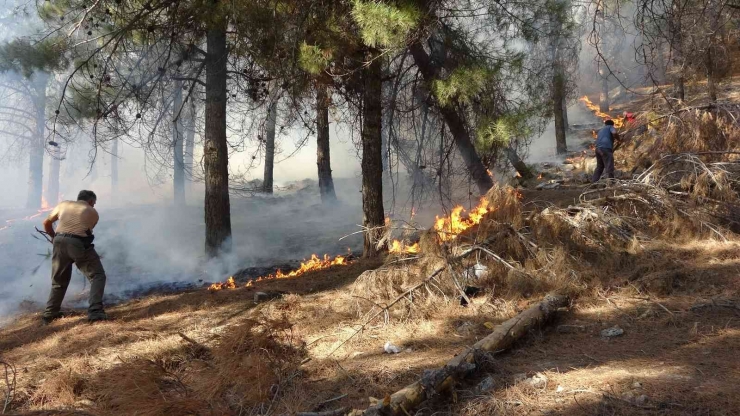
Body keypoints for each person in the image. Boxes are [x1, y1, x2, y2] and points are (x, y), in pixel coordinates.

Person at [41, 190, 108, 324]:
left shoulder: (64, 204)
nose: (93, 206)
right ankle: (95, 312)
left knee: (59, 281)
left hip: (59, 241)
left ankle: (50, 314)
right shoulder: (92, 212)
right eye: (94, 203)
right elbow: (86, 234)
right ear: (90, 201)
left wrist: (54, 238)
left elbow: (46, 223)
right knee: (97, 276)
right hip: (77, 243)